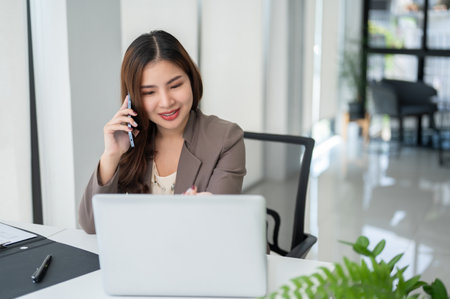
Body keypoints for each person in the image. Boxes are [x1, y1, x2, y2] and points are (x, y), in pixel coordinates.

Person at [79, 30, 246, 234]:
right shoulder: (131, 139)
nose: (166, 102)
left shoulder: (226, 138)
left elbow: (215, 227)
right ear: (133, 98)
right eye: (149, 92)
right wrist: (111, 155)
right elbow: (90, 225)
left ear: (191, 81)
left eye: (175, 85)